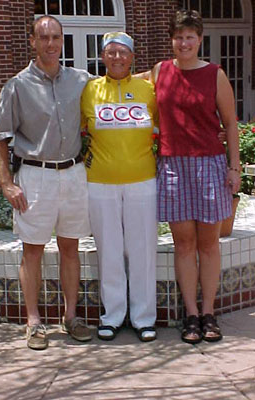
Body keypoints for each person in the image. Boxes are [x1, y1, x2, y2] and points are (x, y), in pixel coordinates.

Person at [0, 15, 93, 350]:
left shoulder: (80, 80)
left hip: (74, 173)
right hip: (35, 175)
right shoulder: (17, 85)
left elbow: (117, 82)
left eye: (56, 37)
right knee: (32, 250)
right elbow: (0, 138)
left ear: (62, 41)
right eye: (44, 37)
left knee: (70, 248)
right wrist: (7, 183)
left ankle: (70, 316)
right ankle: (34, 321)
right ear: (32, 42)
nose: (51, 44)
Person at [139, 9, 241, 344]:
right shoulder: (159, 71)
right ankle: (191, 315)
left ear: (199, 39)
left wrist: (234, 168)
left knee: (209, 244)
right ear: (172, 39)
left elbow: (230, 124)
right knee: (184, 244)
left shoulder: (215, 75)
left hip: (209, 164)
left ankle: (209, 312)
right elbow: (122, 81)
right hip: (172, 166)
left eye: (190, 37)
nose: (184, 42)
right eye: (179, 36)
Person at [81, 32, 158, 342]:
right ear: (102, 56)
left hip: (143, 181)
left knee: (142, 251)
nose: (116, 58)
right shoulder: (89, 90)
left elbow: (164, 126)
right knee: (109, 251)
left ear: (132, 57)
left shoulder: (148, 90)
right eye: (110, 52)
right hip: (100, 183)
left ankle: (143, 318)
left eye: (122, 52)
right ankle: (111, 316)